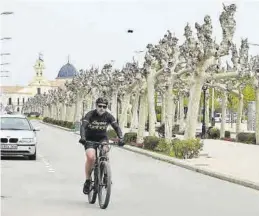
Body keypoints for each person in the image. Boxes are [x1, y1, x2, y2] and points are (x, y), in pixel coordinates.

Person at [79, 97, 124, 194]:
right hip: (89, 139)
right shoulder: (90, 114)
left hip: (102, 138)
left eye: (104, 106)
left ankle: (106, 175)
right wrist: (83, 137)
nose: (102, 108)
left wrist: (121, 138)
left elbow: (116, 127)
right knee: (91, 157)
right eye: (100, 106)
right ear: (96, 106)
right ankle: (87, 181)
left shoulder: (109, 116)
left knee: (105, 151)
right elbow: (83, 126)